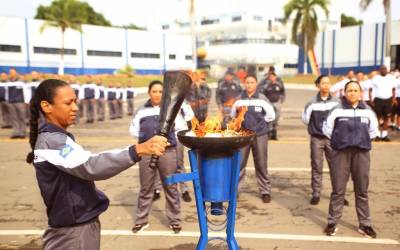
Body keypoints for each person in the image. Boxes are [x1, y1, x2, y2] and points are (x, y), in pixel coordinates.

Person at [26, 79, 168, 250]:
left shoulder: (57, 137)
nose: (75, 108)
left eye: (76, 102)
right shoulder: (52, 141)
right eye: (68, 103)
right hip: (73, 231)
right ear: (47, 106)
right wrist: (137, 150)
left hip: (78, 224)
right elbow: (91, 166)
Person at [323, 80, 379, 238]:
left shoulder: (368, 111)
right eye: (349, 90)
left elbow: (374, 131)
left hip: (361, 154)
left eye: (355, 90)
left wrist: (360, 141)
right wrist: (341, 141)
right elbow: (327, 129)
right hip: (340, 153)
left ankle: (365, 224)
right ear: (344, 93)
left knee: (361, 190)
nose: (352, 93)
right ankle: (332, 222)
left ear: (361, 93)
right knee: (338, 190)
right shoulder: (337, 110)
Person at [129, 80, 181, 234]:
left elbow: (180, 129)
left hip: (167, 152)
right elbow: (133, 130)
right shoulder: (141, 111)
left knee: (170, 187)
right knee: (146, 188)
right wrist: (147, 142)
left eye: (160, 92)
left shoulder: (171, 109)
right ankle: (141, 220)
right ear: (149, 93)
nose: (157, 94)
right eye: (154, 91)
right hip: (146, 153)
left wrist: (166, 142)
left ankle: (174, 220)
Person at [230, 74, 275, 203]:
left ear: (256, 84)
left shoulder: (262, 99)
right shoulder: (239, 100)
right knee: (239, 164)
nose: (249, 85)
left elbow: (271, 116)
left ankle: (265, 191)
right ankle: (235, 191)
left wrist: (260, 126)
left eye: (252, 82)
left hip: (260, 136)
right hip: (243, 137)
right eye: (247, 82)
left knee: (261, 164)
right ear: (245, 84)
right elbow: (233, 116)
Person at [302, 75, 340, 205]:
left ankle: (338, 193)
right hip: (317, 139)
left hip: (333, 140)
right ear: (318, 85)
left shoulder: (337, 102)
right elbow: (305, 120)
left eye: (328, 83)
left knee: (336, 167)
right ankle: (316, 193)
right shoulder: (311, 102)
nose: (326, 85)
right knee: (317, 166)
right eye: (323, 83)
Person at [370, 65, 397, 141]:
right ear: (380, 70)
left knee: (386, 118)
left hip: (388, 100)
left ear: (387, 70)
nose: (383, 70)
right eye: (382, 69)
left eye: (385, 69)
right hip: (378, 100)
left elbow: (394, 89)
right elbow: (370, 90)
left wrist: (393, 99)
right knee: (377, 118)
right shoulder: (375, 78)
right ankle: (378, 135)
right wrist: (371, 100)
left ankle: (384, 135)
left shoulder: (391, 78)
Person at [257, 72, 285, 140]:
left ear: (275, 77)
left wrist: (281, 100)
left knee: (276, 119)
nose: (272, 78)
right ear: (269, 78)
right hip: (269, 104)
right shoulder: (266, 86)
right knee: (269, 119)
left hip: (277, 104)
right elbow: (263, 94)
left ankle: (274, 134)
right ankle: (269, 134)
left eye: (273, 76)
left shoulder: (279, 85)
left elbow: (283, 92)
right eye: (270, 77)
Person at [7, 68, 30, 138]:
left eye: (13, 72)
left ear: (16, 73)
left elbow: (26, 91)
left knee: (22, 117)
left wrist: (27, 101)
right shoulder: (8, 82)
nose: (11, 73)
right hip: (11, 102)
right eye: (10, 72)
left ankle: (22, 131)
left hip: (20, 102)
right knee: (14, 118)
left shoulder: (21, 81)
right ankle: (16, 131)